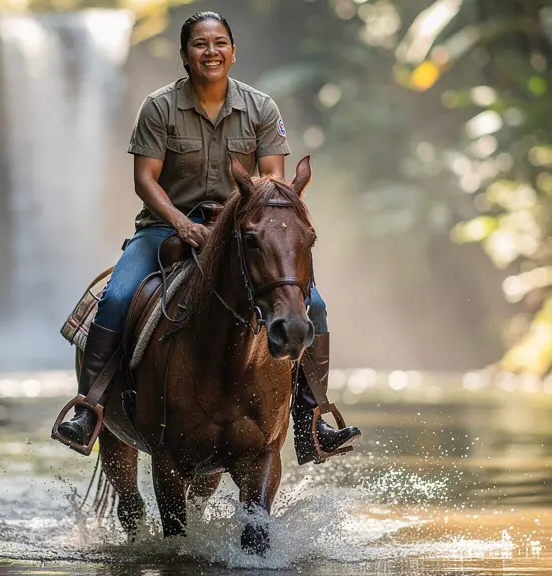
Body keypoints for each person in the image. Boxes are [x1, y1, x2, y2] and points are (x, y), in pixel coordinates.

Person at [54, 11, 360, 465]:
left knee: (313, 304)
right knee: (117, 297)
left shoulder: (261, 108)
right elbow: (145, 180)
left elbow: (273, 179)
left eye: (219, 43)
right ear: (184, 56)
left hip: (242, 229)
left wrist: (235, 220)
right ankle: (89, 407)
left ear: (233, 52)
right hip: (165, 229)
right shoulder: (159, 107)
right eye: (200, 44)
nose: (211, 51)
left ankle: (312, 418)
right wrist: (181, 223)